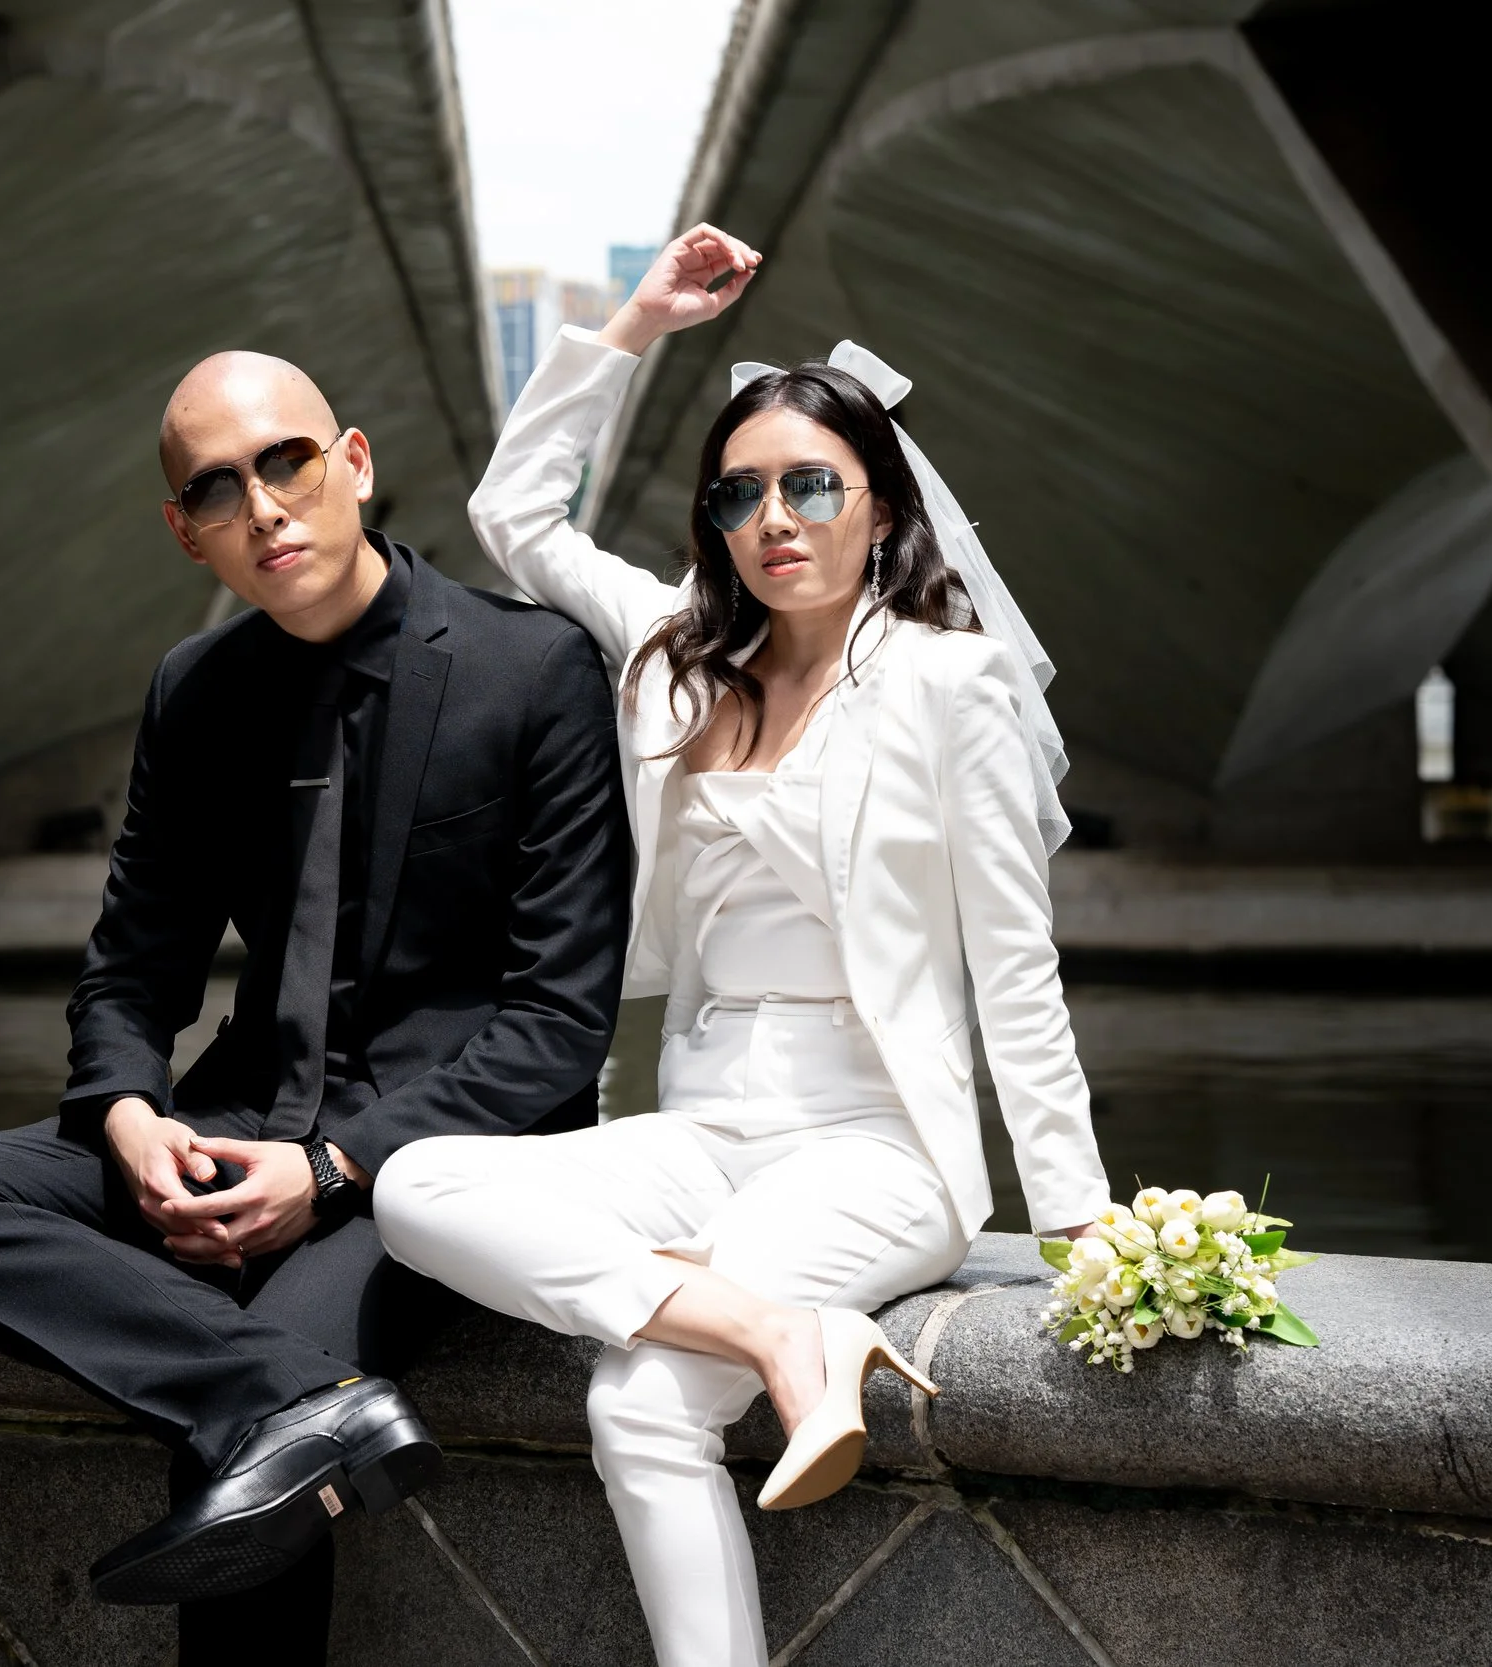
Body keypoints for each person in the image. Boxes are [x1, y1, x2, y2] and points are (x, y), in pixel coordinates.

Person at [372, 224, 1113, 1667]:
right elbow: (516, 516)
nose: (774, 516)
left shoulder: (949, 689)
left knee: (638, 1401)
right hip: (702, 1123)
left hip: (878, 1144)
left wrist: (1077, 1221)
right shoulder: (673, 654)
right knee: (411, 1183)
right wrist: (634, 325)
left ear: (878, 508)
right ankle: (786, 1338)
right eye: (740, 493)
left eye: (810, 486)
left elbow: (1016, 976)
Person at [0, 351, 633, 1664]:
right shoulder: (195, 694)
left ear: (355, 463)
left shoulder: (532, 665)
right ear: (187, 533)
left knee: (239, 1441)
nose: (265, 505)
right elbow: (132, 967)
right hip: (232, 1119)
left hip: (438, 1161)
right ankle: (297, 1405)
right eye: (219, 489)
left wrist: (330, 1164)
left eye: (288, 461)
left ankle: (268, 1403)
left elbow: (557, 1026)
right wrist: (126, 1114)